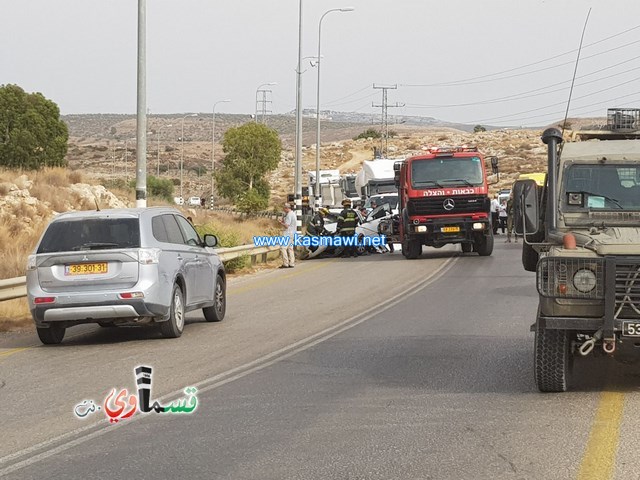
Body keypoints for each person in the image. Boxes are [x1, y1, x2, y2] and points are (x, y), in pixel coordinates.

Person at [278, 203, 297, 268]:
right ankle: (292, 263)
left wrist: (281, 223)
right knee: (290, 248)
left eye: (284, 208)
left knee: (283, 248)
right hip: (292, 233)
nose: (283, 210)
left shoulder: (289, 215)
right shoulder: (293, 214)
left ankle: (285, 263)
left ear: (287, 208)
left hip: (287, 234)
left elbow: (286, 226)